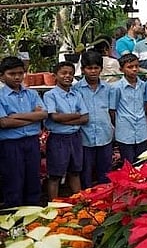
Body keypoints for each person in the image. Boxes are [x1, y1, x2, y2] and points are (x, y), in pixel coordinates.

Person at [0, 56, 47, 208]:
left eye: (20, 73)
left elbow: (43, 114)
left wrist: (15, 116)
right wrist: (33, 118)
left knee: (33, 179)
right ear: (2, 76)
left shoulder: (31, 94)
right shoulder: (1, 96)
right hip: (10, 144)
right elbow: (4, 123)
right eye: (12, 73)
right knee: (13, 181)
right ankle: (13, 216)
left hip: (32, 142)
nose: (17, 77)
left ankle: (33, 213)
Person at [42, 61, 89, 200]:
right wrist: (76, 115)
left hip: (75, 137)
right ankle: (53, 205)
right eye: (63, 73)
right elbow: (55, 117)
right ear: (55, 75)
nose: (67, 76)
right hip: (58, 138)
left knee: (75, 171)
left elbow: (85, 118)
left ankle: (79, 202)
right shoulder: (50, 95)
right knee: (55, 175)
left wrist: (65, 119)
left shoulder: (76, 95)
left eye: (70, 73)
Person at [74, 50, 114, 188]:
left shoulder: (108, 88)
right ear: (83, 69)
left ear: (101, 69)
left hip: (105, 136)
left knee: (106, 172)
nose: (93, 71)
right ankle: (87, 198)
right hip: (85, 137)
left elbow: (111, 111)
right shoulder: (76, 89)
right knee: (86, 172)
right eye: (89, 68)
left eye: (96, 68)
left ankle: (105, 197)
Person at [111, 53, 147, 165]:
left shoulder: (143, 85)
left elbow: (146, 105)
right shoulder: (116, 88)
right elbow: (112, 110)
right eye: (130, 67)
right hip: (124, 132)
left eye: (136, 66)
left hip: (142, 131)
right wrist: (119, 124)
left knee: (142, 163)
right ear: (121, 69)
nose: (134, 69)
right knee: (128, 164)